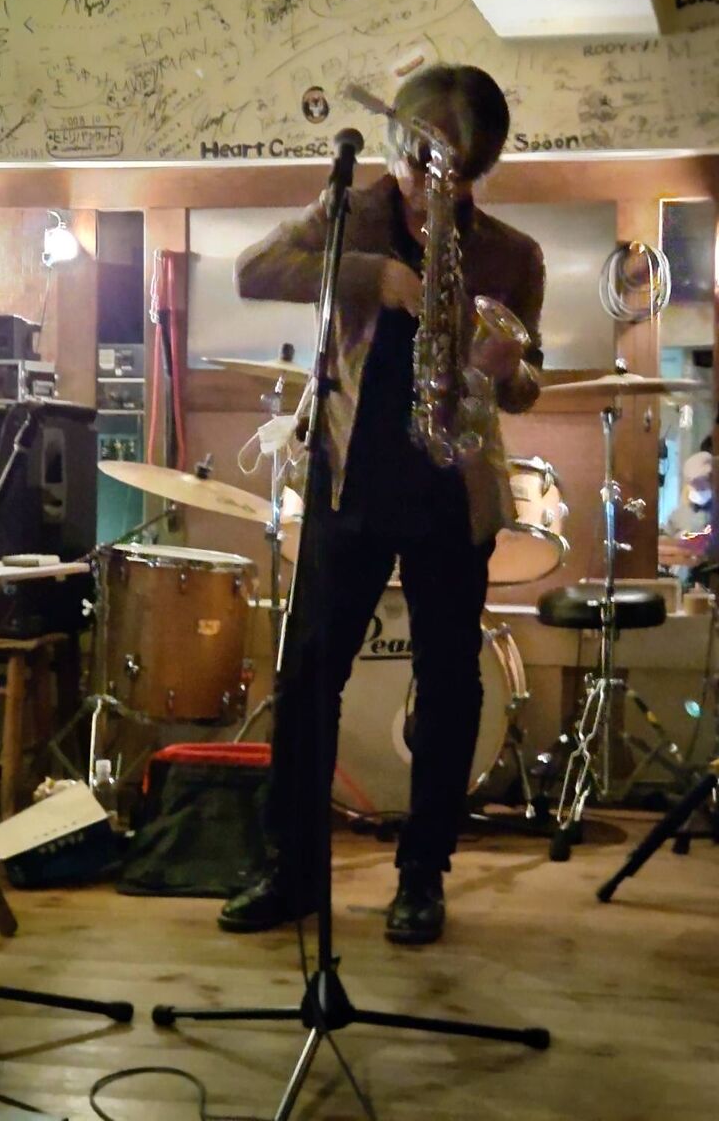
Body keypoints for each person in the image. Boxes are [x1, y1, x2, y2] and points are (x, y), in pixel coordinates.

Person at [221, 63, 546, 944]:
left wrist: (507, 370)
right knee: (307, 676)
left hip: (452, 485)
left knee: (448, 684)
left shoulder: (513, 255)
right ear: (399, 145)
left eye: (454, 173)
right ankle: (293, 869)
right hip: (351, 477)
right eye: (416, 161)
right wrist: (372, 276)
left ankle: (422, 875)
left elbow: (527, 386)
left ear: (480, 170)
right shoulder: (350, 214)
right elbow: (254, 271)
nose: (426, 183)